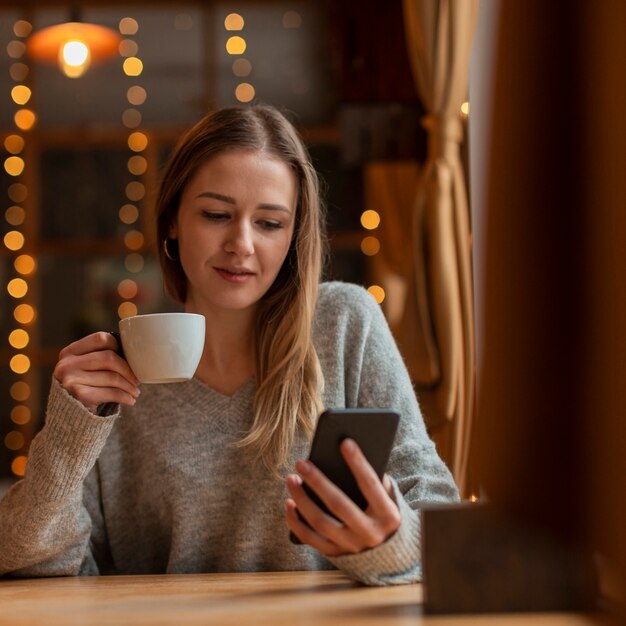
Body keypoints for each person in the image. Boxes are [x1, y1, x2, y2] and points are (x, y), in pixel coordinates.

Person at [0, 105, 458, 584]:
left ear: (294, 236)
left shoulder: (344, 322)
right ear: (173, 220)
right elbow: (32, 567)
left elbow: (441, 520)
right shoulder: (115, 380)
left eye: (270, 223)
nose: (241, 243)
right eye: (217, 214)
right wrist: (68, 437)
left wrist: (387, 542)